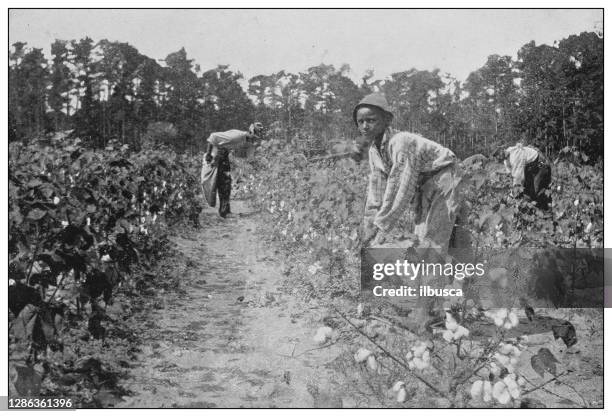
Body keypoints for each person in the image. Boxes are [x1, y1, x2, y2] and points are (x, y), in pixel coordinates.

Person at [355, 93, 463, 251]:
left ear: (387, 120)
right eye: (361, 121)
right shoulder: (374, 151)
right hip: (425, 185)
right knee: (422, 239)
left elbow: (400, 187)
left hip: (444, 179)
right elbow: (376, 194)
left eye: (371, 120)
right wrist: (368, 229)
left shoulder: (401, 142)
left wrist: (381, 227)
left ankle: (443, 274)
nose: (365, 126)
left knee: (433, 242)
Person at [203, 123, 264, 218]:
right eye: (254, 137)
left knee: (226, 184)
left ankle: (225, 211)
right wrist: (208, 154)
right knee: (222, 184)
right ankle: (224, 212)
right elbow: (213, 136)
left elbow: (247, 157)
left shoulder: (245, 141)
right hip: (215, 156)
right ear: (250, 133)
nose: (254, 140)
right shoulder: (237, 136)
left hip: (223, 157)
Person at [502, 143, 552, 210]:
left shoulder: (515, 157)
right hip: (531, 166)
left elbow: (519, 178)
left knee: (535, 190)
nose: (498, 158)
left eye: (499, 155)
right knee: (527, 191)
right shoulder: (506, 159)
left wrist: (512, 195)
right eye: (496, 157)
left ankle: (545, 209)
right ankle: (533, 208)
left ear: (504, 152)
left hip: (541, 164)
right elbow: (510, 175)